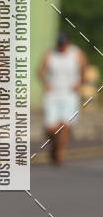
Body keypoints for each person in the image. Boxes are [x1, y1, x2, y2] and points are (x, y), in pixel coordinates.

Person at [38, 32, 86, 164]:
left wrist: (79, 82)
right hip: (52, 95)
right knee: (51, 128)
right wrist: (45, 83)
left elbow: (83, 70)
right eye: (59, 44)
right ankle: (54, 145)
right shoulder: (50, 54)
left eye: (63, 44)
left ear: (68, 43)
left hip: (69, 95)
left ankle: (60, 153)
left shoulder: (76, 54)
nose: (61, 47)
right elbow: (40, 70)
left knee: (65, 124)